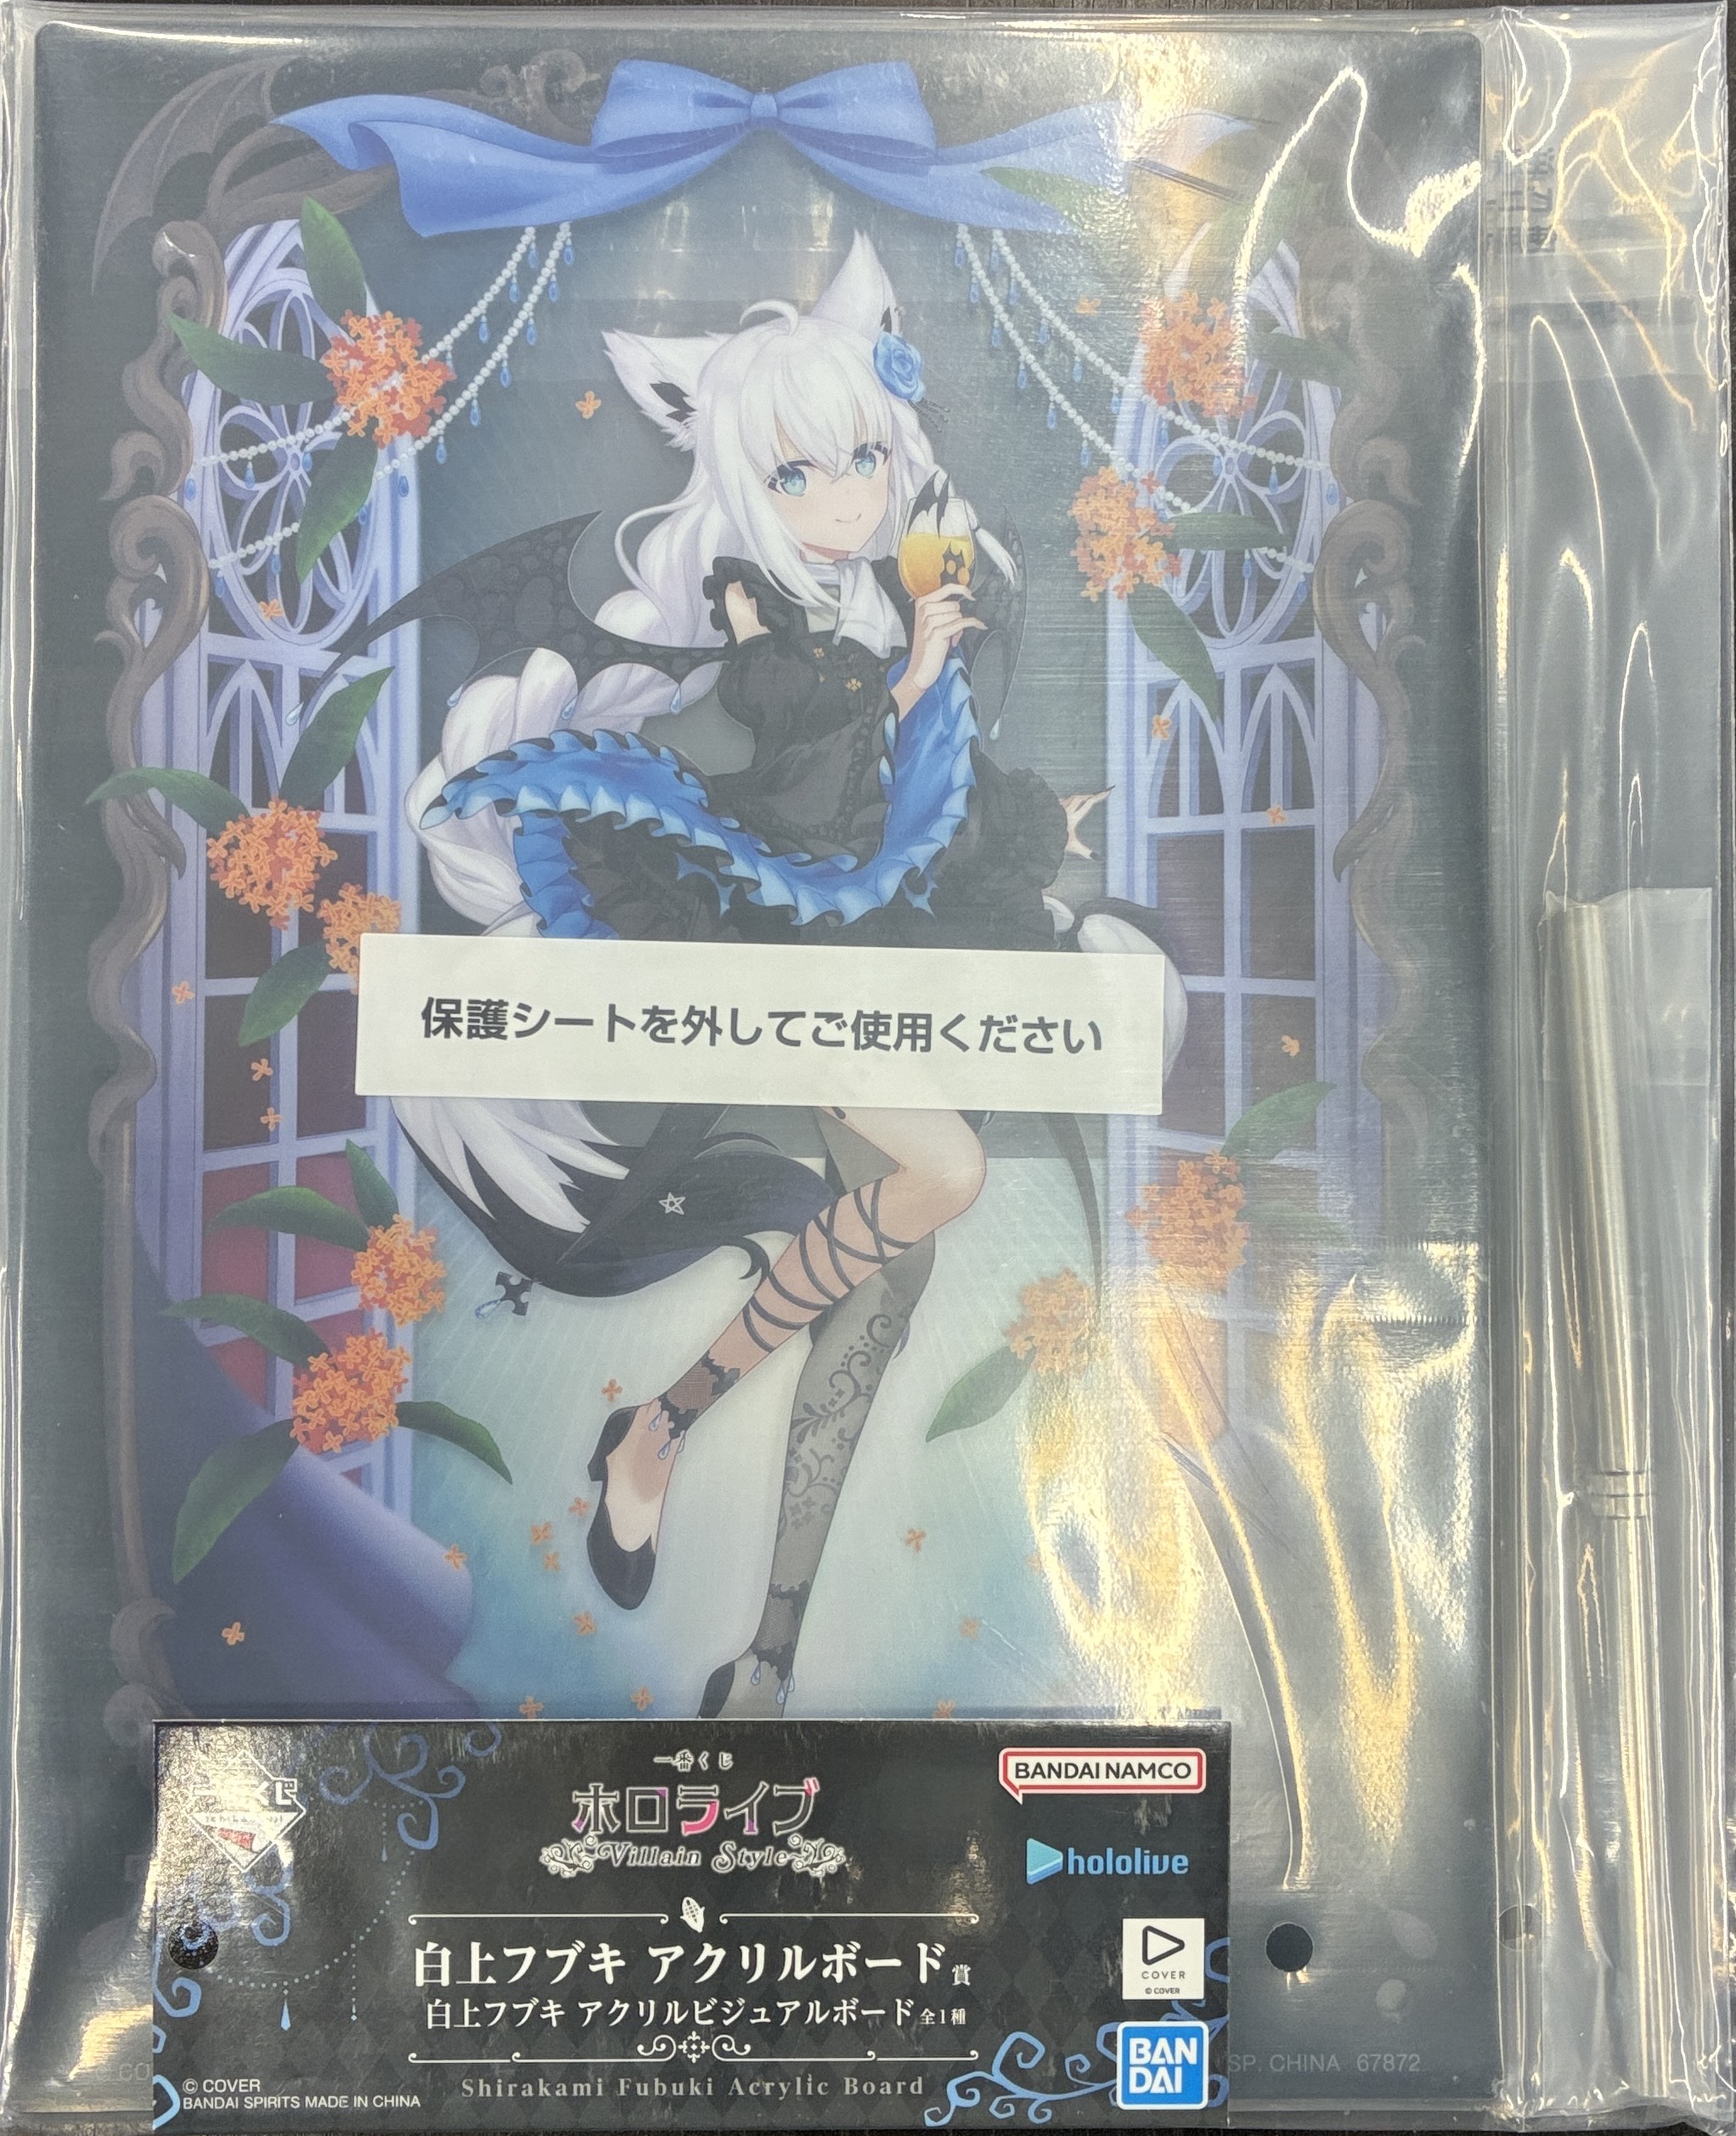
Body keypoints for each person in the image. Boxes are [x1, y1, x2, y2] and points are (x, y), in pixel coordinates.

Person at [396, 234, 1182, 1712]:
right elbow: (814, 784)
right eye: (802, 475)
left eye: (863, 462)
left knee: (885, 1282)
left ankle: (719, 1559)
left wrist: (1014, 800)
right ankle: (683, 1485)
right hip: (768, 945)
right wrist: (910, 681)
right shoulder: (756, 605)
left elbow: (925, 809)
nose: (844, 503)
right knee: (941, 1181)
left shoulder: (897, 591)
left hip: (876, 958)